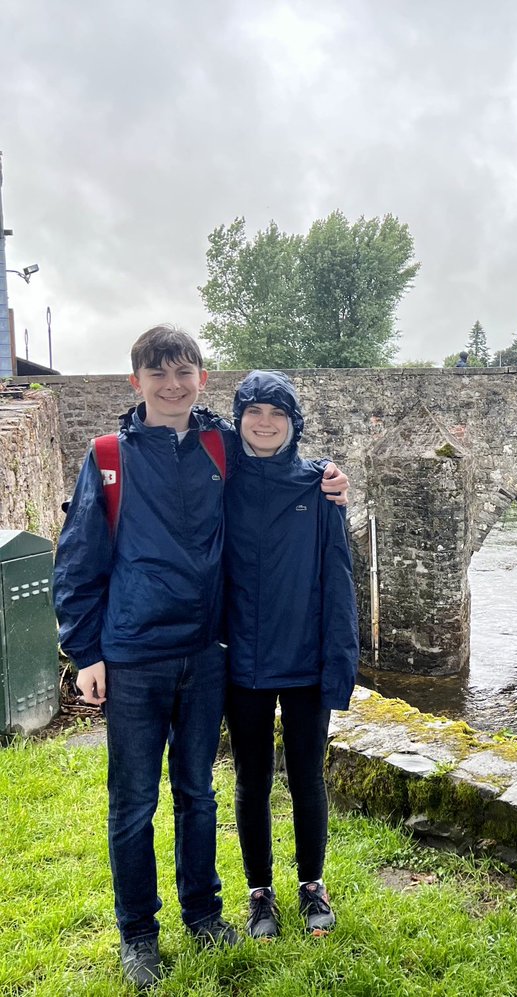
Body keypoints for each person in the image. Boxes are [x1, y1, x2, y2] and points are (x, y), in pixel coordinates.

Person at [53, 326, 348, 990]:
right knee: (132, 802)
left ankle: (205, 913)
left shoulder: (219, 445)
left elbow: (278, 465)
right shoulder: (109, 456)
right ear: (137, 381)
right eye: (158, 372)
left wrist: (330, 476)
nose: (172, 383)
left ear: (201, 379)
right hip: (132, 657)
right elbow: (78, 560)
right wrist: (87, 650)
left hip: (204, 651)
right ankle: (138, 934)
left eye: (184, 371)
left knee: (196, 793)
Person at [221, 370, 358, 940]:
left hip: (304, 657)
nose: (265, 422)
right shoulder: (218, 479)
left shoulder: (319, 487)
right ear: (239, 419)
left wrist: (339, 661)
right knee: (252, 780)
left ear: (294, 422)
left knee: (307, 776)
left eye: (277, 413)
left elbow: (339, 577)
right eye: (254, 411)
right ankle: (260, 894)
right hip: (242, 659)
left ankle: (311, 885)